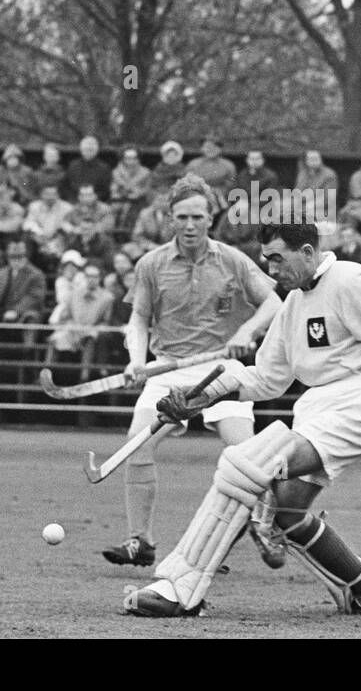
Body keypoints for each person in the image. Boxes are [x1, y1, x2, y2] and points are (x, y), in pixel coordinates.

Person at [123, 221, 361, 618]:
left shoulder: (353, 281)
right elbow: (266, 379)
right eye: (266, 260)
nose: (271, 270)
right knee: (288, 513)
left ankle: (182, 587)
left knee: (246, 464)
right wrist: (199, 397)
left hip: (358, 405)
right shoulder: (292, 306)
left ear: (307, 252)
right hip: (316, 411)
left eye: (278, 259)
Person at [101, 174, 281, 569]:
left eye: (198, 217)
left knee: (244, 456)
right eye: (181, 217)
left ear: (210, 217)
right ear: (169, 218)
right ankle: (140, 541)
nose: (189, 225)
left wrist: (246, 331)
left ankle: (239, 535)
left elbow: (274, 303)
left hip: (221, 371)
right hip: (167, 369)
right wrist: (135, 359)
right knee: (138, 442)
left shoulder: (233, 260)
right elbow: (139, 318)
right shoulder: (151, 264)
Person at [46, 261, 115, 379]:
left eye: (95, 276)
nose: (91, 279)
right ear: (84, 277)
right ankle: (46, 375)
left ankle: (84, 376)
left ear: (99, 278)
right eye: (88, 276)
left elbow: (106, 320)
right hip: (73, 327)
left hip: (92, 329)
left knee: (91, 337)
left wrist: (95, 328)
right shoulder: (73, 293)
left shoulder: (107, 297)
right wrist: (69, 325)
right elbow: (66, 315)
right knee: (56, 338)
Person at [60, 184, 116, 263]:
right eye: (83, 195)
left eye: (89, 195)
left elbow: (108, 226)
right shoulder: (75, 209)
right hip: (78, 243)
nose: (86, 198)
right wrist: (73, 229)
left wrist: (87, 229)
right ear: (79, 197)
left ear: (95, 195)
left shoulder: (105, 209)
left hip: (99, 243)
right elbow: (64, 223)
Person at [186, 135, 237, 213]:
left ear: (220, 149)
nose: (211, 149)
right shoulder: (193, 165)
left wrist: (219, 191)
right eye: (207, 147)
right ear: (202, 148)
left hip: (221, 199)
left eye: (215, 147)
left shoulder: (228, 165)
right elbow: (188, 184)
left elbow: (231, 184)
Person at [109, 145, 152, 234]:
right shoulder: (116, 173)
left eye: (134, 158)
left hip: (139, 202)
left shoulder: (145, 173)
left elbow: (147, 189)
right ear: (123, 158)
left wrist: (138, 193)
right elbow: (113, 189)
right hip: (119, 200)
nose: (131, 161)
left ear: (138, 158)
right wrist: (120, 194)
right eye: (128, 158)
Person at [64, 135, 112, 203]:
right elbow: (67, 186)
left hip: (96, 203)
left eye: (91, 150)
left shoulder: (104, 168)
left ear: (96, 151)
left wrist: (95, 197)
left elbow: (106, 189)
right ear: (81, 150)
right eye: (86, 149)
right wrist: (74, 199)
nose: (88, 152)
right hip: (75, 202)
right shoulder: (73, 166)